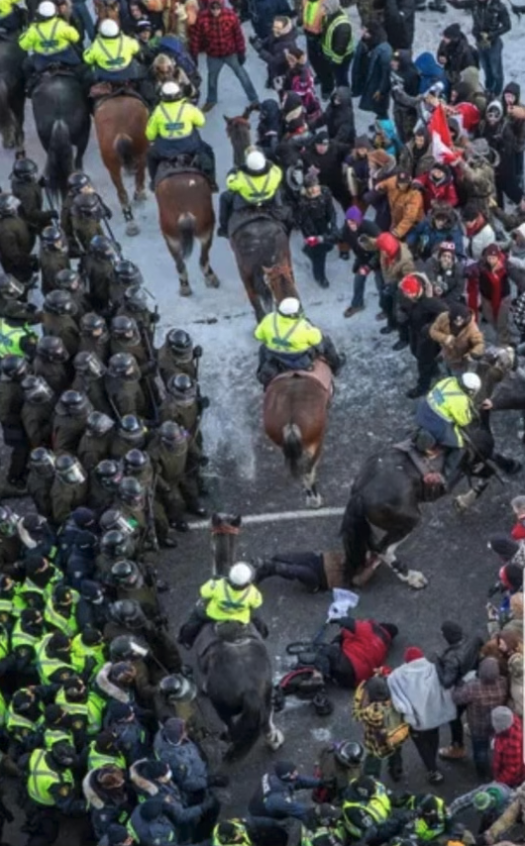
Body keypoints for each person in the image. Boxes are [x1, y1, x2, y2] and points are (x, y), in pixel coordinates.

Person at [254, 296, 345, 387]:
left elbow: (258, 335)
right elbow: (318, 340)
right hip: (299, 360)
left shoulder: (269, 319)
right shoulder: (303, 326)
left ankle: (261, 373)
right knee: (326, 344)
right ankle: (336, 365)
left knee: (262, 348)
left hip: (274, 357)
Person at [415, 372, 482, 490]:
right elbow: (464, 421)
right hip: (436, 423)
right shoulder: (461, 400)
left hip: (423, 409)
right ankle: (444, 474)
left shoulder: (449, 380)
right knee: (460, 446)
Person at [189, 0, 258, 112]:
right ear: (209, 8)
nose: (215, 11)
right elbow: (196, 38)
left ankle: (254, 99)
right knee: (212, 79)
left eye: (217, 8)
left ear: (221, 6)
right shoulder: (202, 18)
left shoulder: (230, 15)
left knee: (242, 75)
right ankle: (211, 100)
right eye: (213, 9)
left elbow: (238, 35)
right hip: (213, 54)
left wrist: (241, 52)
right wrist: (194, 55)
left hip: (230, 53)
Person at [145, 81, 217, 189]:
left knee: (150, 155)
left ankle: (154, 183)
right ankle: (211, 182)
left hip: (165, 149)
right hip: (190, 146)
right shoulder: (188, 107)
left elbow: (150, 135)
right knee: (208, 151)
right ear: (179, 94)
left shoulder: (158, 111)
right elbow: (202, 122)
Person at [179, 562, 267, 649]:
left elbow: (204, 592)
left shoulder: (217, 584)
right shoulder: (252, 591)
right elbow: (257, 603)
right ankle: (263, 634)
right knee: (258, 621)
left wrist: (213, 581)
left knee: (195, 618)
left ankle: (186, 640)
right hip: (240, 618)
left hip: (214, 615)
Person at [451, 657, 508, 779]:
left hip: (478, 726)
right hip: (496, 725)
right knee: (497, 748)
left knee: (480, 751)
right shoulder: (503, 682)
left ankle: (483, 774)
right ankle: (497, 770)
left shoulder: (473, 687)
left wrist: (459, 686)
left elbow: (457, 698)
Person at [448, 0, 510, 95]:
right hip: (480, 42)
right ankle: (488, 90)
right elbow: (458, 5)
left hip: (493, 43)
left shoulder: (498, 6)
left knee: (496, 71)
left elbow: (507, 26)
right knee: (486, 69)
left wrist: (491, 34)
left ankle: (497, 93)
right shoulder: (474, 3)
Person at [218, 149, 284, 237]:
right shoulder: (274, 173)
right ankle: (282, 216)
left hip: (246, 202)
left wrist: (232, 173)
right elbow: (278, 171)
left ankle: (224, 228)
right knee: (278, 189)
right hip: (268, 201)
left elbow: (230, 184)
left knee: (224, 197)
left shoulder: (241, 177)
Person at [248, 760, 321, 828]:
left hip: (260, 802)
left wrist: (319, 782)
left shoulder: (276, 773)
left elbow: (299, 781)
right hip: (262, 814)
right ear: (285, 777)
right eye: (293, 774)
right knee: (274, 828)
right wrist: (315, 813)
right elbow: (296, 809)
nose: (296, 774)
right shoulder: (279, 799)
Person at [19, 1, 81, 80]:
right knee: (82, 67)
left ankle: (28, 87)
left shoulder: (33, 29)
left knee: (25, 66)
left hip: (42, 61)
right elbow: (76, 38)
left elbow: (23, 45)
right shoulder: (61, 25)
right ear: (54, 13)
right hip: (66, 57)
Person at [296, 170, 337, 289]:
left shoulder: (325, 192)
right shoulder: (303, 201)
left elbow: (331, 210)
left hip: (323, 221)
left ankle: (308, 250)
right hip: (310, 225)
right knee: (319, 253)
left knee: (329, 244)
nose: (314, 190)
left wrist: (332, 224)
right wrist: (314, 238)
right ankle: (320, 276)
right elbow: (305, 221)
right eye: (311, 188)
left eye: (316, 186)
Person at [429, 303, 484, 377]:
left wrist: (472, 354)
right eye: (456, 320)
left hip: (460, 361)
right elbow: (433, 330)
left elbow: (479, 344)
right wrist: (444, 338)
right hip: (446, 354)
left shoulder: (472, 329)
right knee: (447, 370)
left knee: (459, 377)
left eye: (461, 320)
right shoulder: (443, 317)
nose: (458, 322)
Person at [351, 22, 392, 118]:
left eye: (366, 32)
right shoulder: (367, 42)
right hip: (369, 80)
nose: (363, 33)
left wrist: (381, 90)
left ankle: (384, 127)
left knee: (381, 110)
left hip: (376, 85)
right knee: (377, 107)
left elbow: (386, 75)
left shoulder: (384, 51)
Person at [83, 19, 142, 86]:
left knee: (86, 80)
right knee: (145, 76)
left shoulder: (96, 45)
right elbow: (137, 49)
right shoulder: (127, 41)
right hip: (128, 73)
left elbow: (87, 59)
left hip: (104, 76)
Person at [0, 194, 37, 284]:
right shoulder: (5, 230)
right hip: (16, 267)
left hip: (22, 257)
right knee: (21, 284)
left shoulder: (12, 219)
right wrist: (28, 260)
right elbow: (13, 254)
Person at [320, 0, 353, 93]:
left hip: (341, 57)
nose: (321, 9)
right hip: (332, 54)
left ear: (330, 8)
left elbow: (340, 48)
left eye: (324, 7)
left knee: (341, 76)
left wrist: (335, 62)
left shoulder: (343, 25)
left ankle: (343, 93)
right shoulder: (330, 14)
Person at [490, 706, 525, 786]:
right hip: (504, 772)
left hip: (511, 780)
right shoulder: (511, 724)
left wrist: (499, 781)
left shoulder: (512, 744)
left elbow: (512, 770)